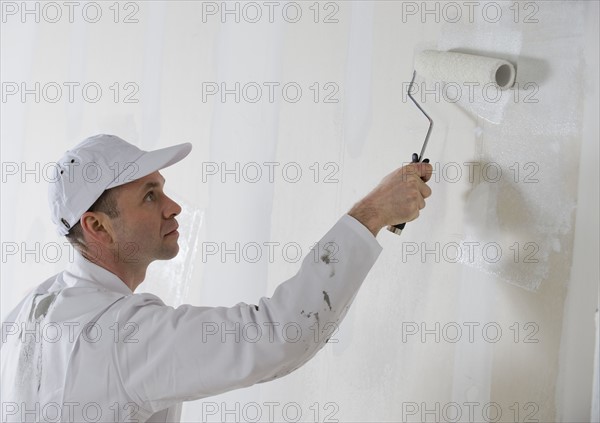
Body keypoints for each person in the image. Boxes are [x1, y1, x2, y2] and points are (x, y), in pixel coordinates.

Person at [1, 134, 432, 422]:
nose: (173, 207)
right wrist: (370, 215)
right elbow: (278, 335)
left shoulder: (26, 315)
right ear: (97, 227)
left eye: (162, 189)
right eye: (149, 196)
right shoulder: (119, 335)